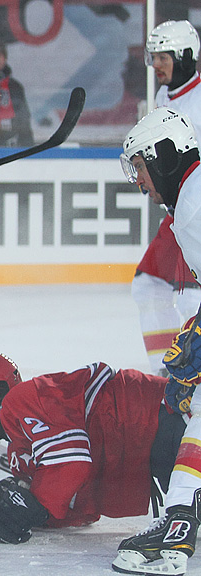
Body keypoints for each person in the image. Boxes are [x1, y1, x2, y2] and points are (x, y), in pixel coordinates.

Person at [0, 351, 185, 547]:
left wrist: (29, 508)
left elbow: (71, 465)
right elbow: (82, 512)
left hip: (169, 417)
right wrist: (11, 511)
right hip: (159, 440)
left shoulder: (21, 400)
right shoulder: (21, 451)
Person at [113, 106, 201, 576]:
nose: (141, 182)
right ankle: (181, 518)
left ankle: (176, 530)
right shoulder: (191, 194)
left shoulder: (193, 202)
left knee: (191, 412)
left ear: (163, 156)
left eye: (142, 168)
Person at [132, 20, 201, 375]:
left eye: (164, 57)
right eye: (153, 56)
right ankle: (163, 376)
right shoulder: (165, 96)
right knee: (148, 286)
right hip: (179, 213)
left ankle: (192, 381)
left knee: (193, 299)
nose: (156, 64)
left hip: (196, 212)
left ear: (186, 57)